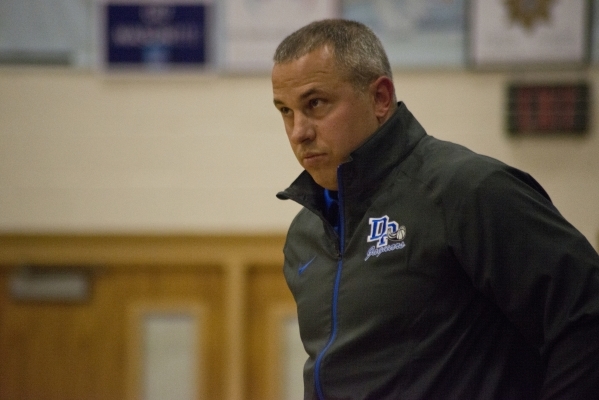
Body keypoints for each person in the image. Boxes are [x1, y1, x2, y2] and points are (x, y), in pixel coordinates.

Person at [271, 19, 599, 400]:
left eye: (315, 104)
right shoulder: (304, 234)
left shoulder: (468, 189)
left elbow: (586, 321)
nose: (299, 131)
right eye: (285, 111)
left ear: (380, 98)